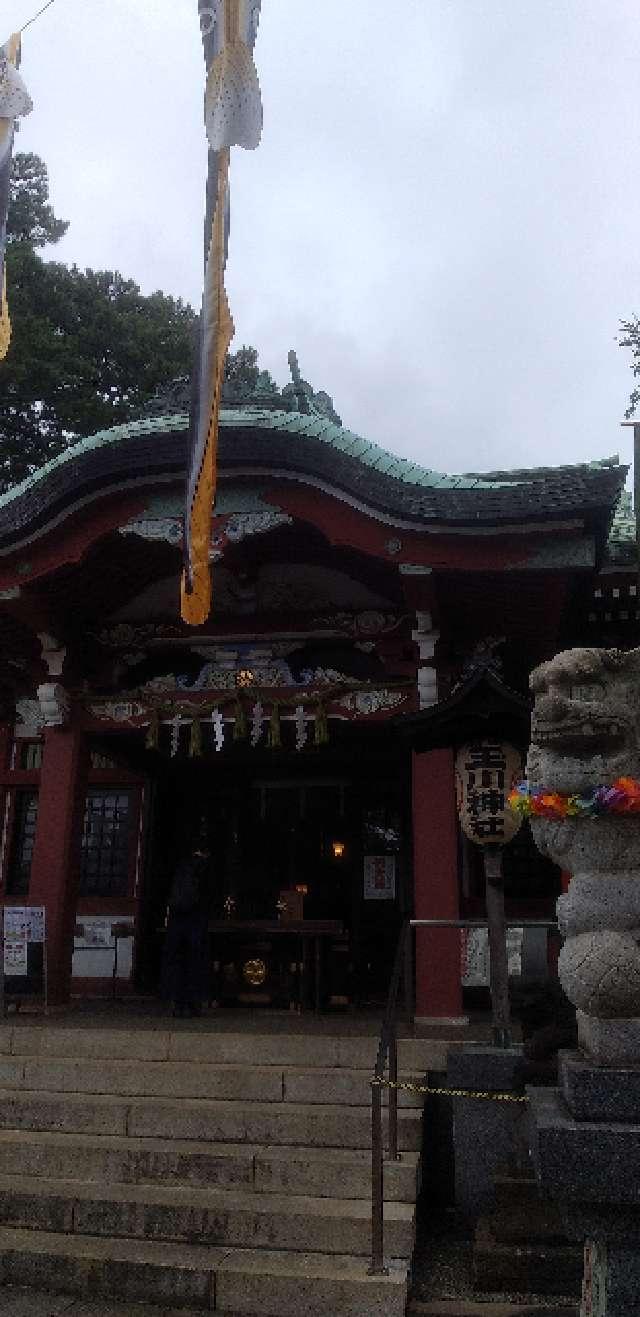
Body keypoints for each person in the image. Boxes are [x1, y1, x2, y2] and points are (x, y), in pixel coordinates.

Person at [162, 842, 212, 1017]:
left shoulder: (180, 867)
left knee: (176, 962)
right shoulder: (204, 869)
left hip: (177, 921)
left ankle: (175, 1002)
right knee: (194, 962)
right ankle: (193, 1002)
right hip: (195, 921)